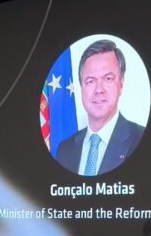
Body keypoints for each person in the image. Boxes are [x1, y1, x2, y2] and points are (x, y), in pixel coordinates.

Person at [56, 39, 145, 176]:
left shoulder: (142, 140)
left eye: (108, 79)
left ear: (120, 84)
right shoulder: (64, 149)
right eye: (90, 81)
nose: (99, 89)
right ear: (81, 87)